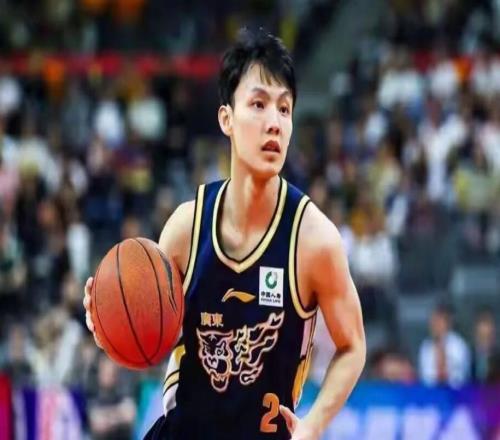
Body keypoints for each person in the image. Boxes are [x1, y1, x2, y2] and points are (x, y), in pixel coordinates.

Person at [83, 28, 366, 440]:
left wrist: (313, 425)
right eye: (258, 104)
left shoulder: (314, 239)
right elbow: (148, 326)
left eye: (284, 109)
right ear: (226, 119)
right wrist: (107, 318)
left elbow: (353, 345)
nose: (274, 123)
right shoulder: (187, 226)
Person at [418, 304, 470, 388]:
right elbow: (425, 377)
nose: (434, 325)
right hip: (432, 392)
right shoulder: (425, 347)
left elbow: (461, 375)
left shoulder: (459, 345)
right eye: (432, 321)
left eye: (438, 321)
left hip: (455, 391)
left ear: (447, 323)